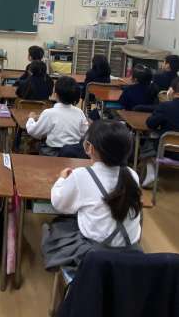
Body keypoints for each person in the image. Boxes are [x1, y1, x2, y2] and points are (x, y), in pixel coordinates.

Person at [42, 120, 142, 271]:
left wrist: (61, 179)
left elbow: (59, 204)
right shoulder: (132, 174)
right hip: (131, 251)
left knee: (54, 229)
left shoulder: (81, 175)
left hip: (96, 254)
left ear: (89, 147)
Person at [26, 76, 87, 156]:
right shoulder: (80, 112)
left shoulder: (49, 113)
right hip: (74, 152)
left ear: (56, 95)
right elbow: (84, 133)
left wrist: (31, 118)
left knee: (35, 145)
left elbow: (34, 132)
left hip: (52, 152)